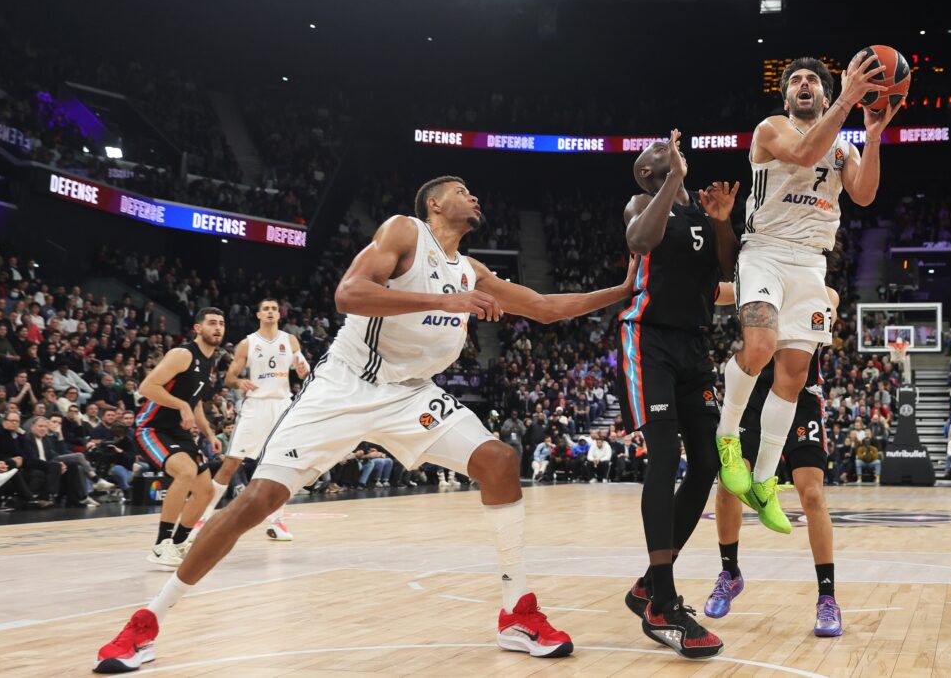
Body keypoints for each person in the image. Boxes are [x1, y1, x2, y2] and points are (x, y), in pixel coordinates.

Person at [94, 175, 639, 673]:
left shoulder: (471, 271)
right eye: (463, 190)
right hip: (345, 385)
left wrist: (623, 290)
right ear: (435, 203)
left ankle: (517, 613)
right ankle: (147, 622)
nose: (475, 197)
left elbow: (544, 307)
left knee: (499, 459)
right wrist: (447, 300)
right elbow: (348, 294)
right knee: (256, 500)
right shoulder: (405, 232)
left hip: (411, 395)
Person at [715, 54, 903, 532]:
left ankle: (762, 479)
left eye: (812, 81)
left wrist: (875, 134)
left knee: (794, 375)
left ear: (822, 93)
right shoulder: (770, 128)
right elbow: (800, 155)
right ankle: (728, 440)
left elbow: (863, 194)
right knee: (758, 347)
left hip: (811, 262)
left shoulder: (842, 148)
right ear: (786, 95)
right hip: (764, 252)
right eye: (796, 80)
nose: (804, 85)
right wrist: (847, 99)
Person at [617, 130, 739, 659]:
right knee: (664, 457)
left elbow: (727, 270)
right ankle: (663, 601)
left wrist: (722, 221)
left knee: (708, 463)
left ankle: (648, 582)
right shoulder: (644, 203)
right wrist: (670, 179)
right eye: (664, 157)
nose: (678, 157)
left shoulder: (697, 213)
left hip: (693, 345)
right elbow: (641, 241)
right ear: (652, 171)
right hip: (650, 339)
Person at [706, 289, 843, 636]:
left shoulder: (823, 291)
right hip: (753, 394)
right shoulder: (758, 277)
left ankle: (827, 599)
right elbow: (721, 291)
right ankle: (729, 573)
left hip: (801, 396)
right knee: (727, 483)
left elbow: (829, 307)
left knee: (811, 494)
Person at [194, 298, 309, 541]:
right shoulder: (247, 343)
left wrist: (303, 369)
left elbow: (303, 367)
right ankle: (202, 518)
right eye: (266, 309)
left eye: (274, 309)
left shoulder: (290, 340)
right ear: (258, 315)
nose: (270, 312)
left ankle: (277, 523)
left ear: (280, 314)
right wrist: (240, 382)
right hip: (256, 406)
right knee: (232, 462)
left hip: (283, 405)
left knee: (283, 465)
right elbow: (229, 378)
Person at [133, 308, 225, 568]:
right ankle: (162, 545)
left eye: (221, 323)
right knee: (185, 472)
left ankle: (178, 543)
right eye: (211, 323)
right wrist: (181, 406)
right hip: (153, 428)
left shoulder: (209, 361)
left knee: (205, 491)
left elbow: (194, 403)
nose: (217, 328)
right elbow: (147, 387)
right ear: (198, 328)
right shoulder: (182, 354)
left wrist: (209, 433)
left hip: (180, 431)